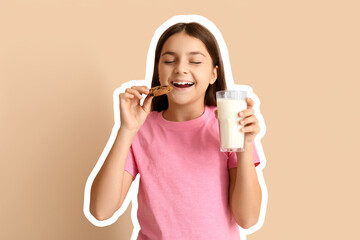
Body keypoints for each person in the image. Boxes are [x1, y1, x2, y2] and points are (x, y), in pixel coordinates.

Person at [90, 22, 262, 240]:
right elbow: (101, 210)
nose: (180, 68)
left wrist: (245, 146)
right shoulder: (141, 130)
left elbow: (248, 218)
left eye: (196, 61)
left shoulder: (228, 124)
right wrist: (126, 130)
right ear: (158, 72)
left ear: (213, 74)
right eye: (169, 61)